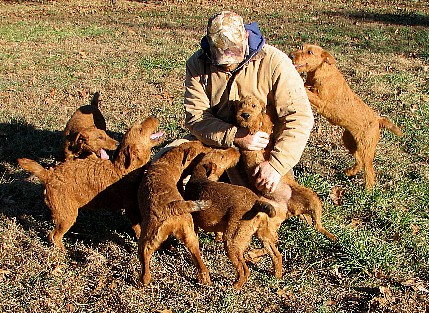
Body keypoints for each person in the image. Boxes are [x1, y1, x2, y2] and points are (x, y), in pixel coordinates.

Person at [182, 10, 314, 195]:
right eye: (221, 61)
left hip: (262, 153)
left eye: (234, 55)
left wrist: (276, 165)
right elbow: (196, 117)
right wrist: (235, 136)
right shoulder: (198, 63)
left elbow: (299, 117)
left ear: (245, 36)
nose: (228, 65)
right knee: (163, 169)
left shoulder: (274, 62)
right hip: (214, 141)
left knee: (268, 200)